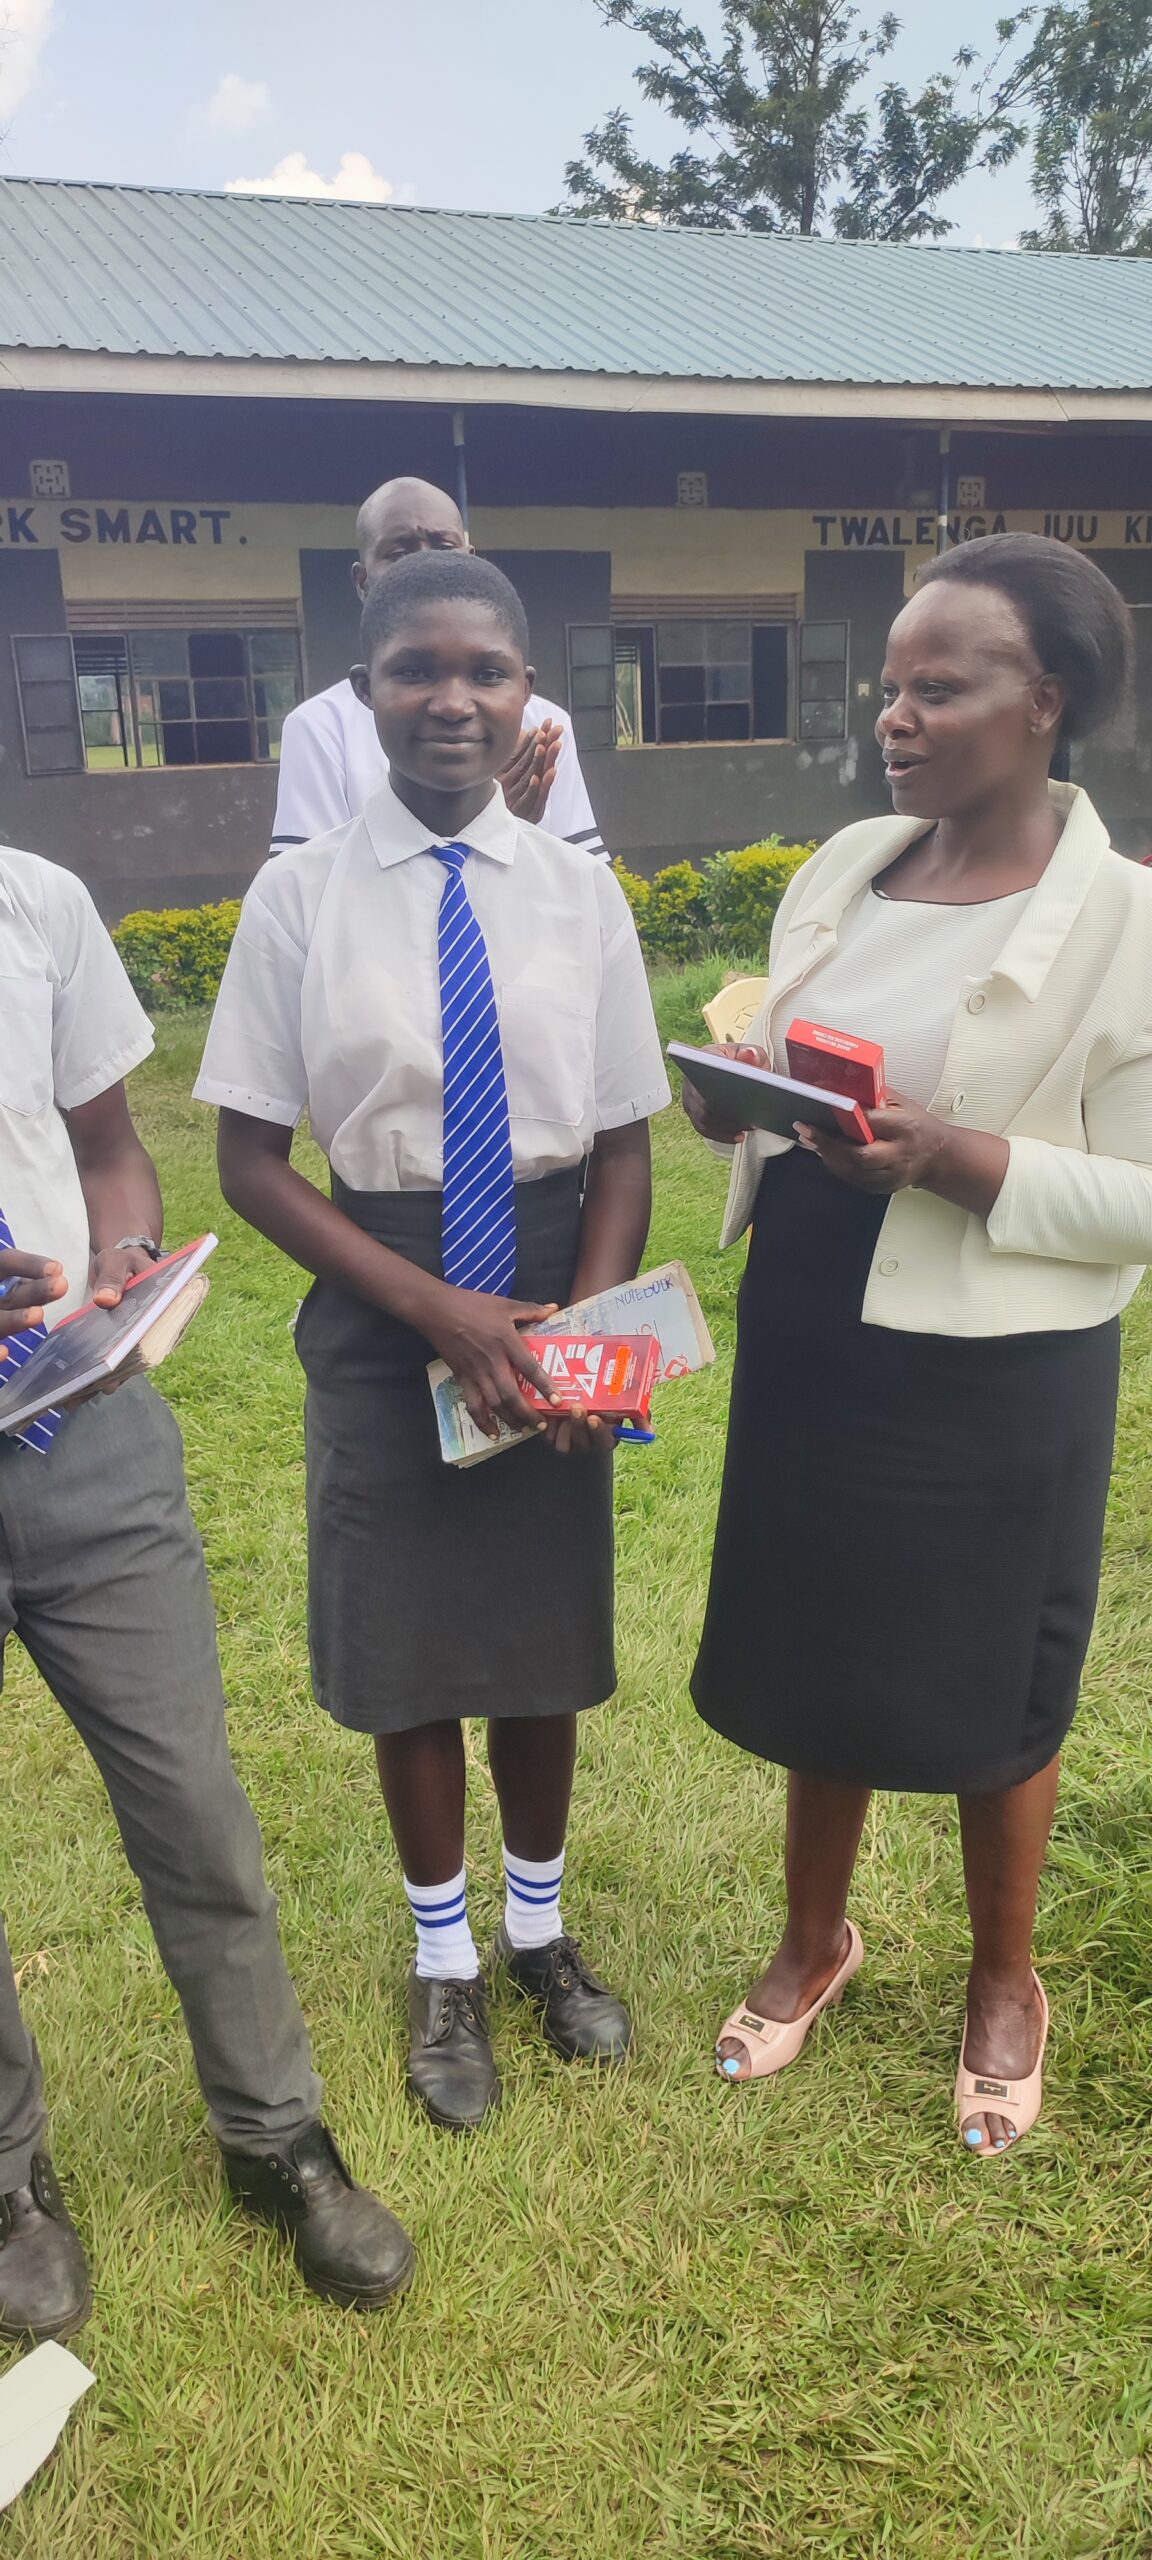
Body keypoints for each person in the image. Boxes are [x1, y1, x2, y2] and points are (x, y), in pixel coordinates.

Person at [683, 533, 1152, 2158]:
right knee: (824, 1641)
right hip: (820, 1315)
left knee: (987, 1678)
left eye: (936, 687)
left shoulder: (1122, 920)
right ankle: (817, 1937)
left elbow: (1146, 1196)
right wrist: (727, 1092)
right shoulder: (847, 864)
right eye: (889, 687)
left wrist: (954, 1158)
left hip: (995, 1352)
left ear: (1048, 700)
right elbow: (778, 1029)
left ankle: (1003, 1977)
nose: (895, 717)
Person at [195, 549, 669, 2133]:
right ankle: (446, 1960)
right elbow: (251, 1160)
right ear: (365, 690)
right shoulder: (301, 893)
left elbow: (625, 1145)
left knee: (540, 1638)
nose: (453, 699)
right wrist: (437, 1318)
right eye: (417, 669)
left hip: (549, 1277)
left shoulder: (578, 889)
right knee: (409, 1654)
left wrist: (582, 1331)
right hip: (385, 1280)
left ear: (530, 693)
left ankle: (540, 1931)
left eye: (488, 670)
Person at [0, 852, 415, 2341]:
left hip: (76, 1429)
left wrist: (121, 1248)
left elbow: (108, 1141)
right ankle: (9, 2181)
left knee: (192, 1800)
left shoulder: (36, 903)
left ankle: (274, 2137)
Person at [270, 475, 608, 859]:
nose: (453, 707)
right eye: (399, 553)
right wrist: (478, 826)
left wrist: (503, 830)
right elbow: (313, 897)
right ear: (362, 580)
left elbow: (583, 892)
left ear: (471, 561)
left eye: (444, 548)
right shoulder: (320, 727)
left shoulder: (542, 725)